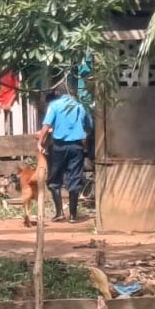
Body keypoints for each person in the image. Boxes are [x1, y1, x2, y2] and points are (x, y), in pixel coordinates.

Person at [37, 80, 92, 223]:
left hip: (59, 147)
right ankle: (73, 216)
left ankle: (59, 212)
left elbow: (46, 125)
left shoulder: (54, 106)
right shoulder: (80, 106)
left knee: (54, 180)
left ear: (57, 93)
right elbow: (89, 125)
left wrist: (40, 141)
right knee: (74, 179)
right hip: (76, 147)